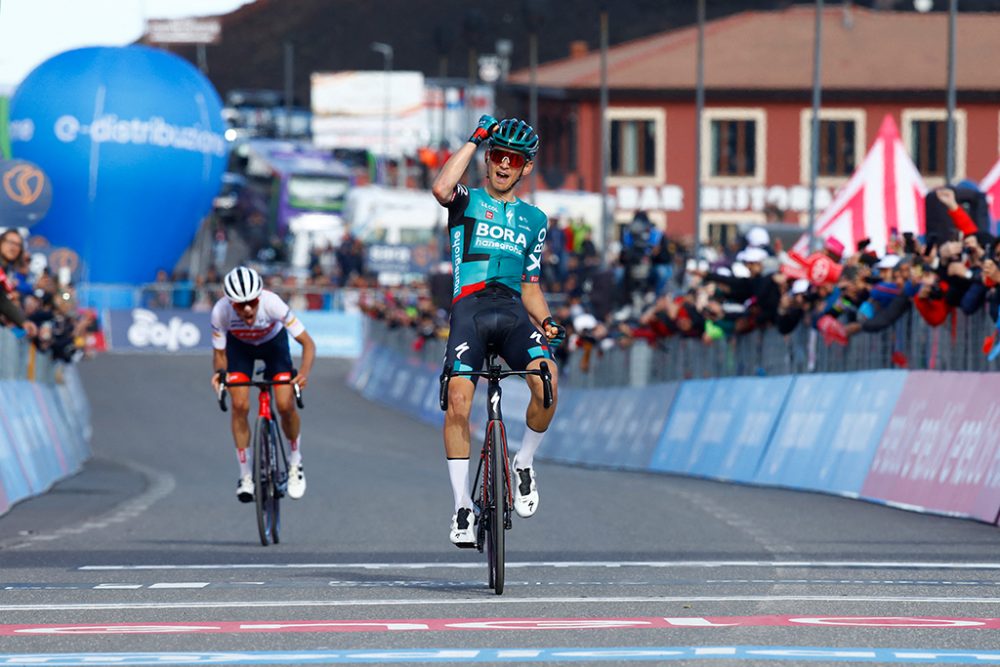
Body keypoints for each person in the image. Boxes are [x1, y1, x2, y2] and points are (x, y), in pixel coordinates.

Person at [431, 115, 566, 546]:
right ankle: (461, 507)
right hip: (469, 309)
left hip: (511, 313)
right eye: (499, 156)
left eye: (515, 159)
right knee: (458, 402)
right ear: (489, 159)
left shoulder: (535, 219)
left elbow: (531, 286)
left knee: (547, 378)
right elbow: (439, 188)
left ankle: (523, 462)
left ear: (526, 167)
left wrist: (545, 321)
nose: (505, 165)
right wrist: (474, 139)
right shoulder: (466, 200)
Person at [209, 266, 316, 503]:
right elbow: (219, 354)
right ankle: (245, 476)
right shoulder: (220, 312)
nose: (247, 308)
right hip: (240, 350)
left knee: (285, 404)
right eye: (239, 304)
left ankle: (295, 462)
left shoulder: (273, 303)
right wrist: (219, 373)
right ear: (230, 303)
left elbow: (308, 344)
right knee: (239, 405)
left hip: (273, 347)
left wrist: (304, 374)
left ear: (260, 296)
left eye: (251, 301)